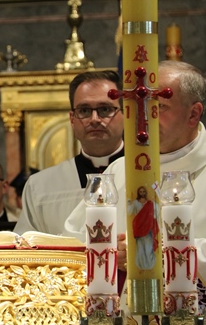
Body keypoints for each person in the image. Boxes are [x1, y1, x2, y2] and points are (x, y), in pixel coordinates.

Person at [64, 61, 206, 325]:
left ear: (193, 114)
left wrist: (151, 253)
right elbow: (73, 243)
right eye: (138, 106)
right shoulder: (119, 170)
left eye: (158, 107)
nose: (143, 117)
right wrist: (108, 252)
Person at [15, 70, 124, 235]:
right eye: (84, 111)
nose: (94, 119)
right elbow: (26, 244)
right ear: (72, 119)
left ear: (126, 114)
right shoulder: (40, 186)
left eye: (105, 109)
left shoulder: (146, 176)